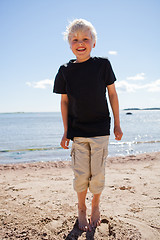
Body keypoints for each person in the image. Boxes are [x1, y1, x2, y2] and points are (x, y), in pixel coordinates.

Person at [53, 19, 123, 231]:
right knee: (81, 175)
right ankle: (81, 208)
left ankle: (95, 205)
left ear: (94, 42)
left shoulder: (103, 65)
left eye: (85, 38)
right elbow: (64, 101)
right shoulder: (65, 70)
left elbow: (112, 93)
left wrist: (117, 124)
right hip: (78, 132)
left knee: (98, 174)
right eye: (75, 39)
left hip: (100, 129)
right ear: (69, 44)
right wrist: (65, 131)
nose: (80, 42)